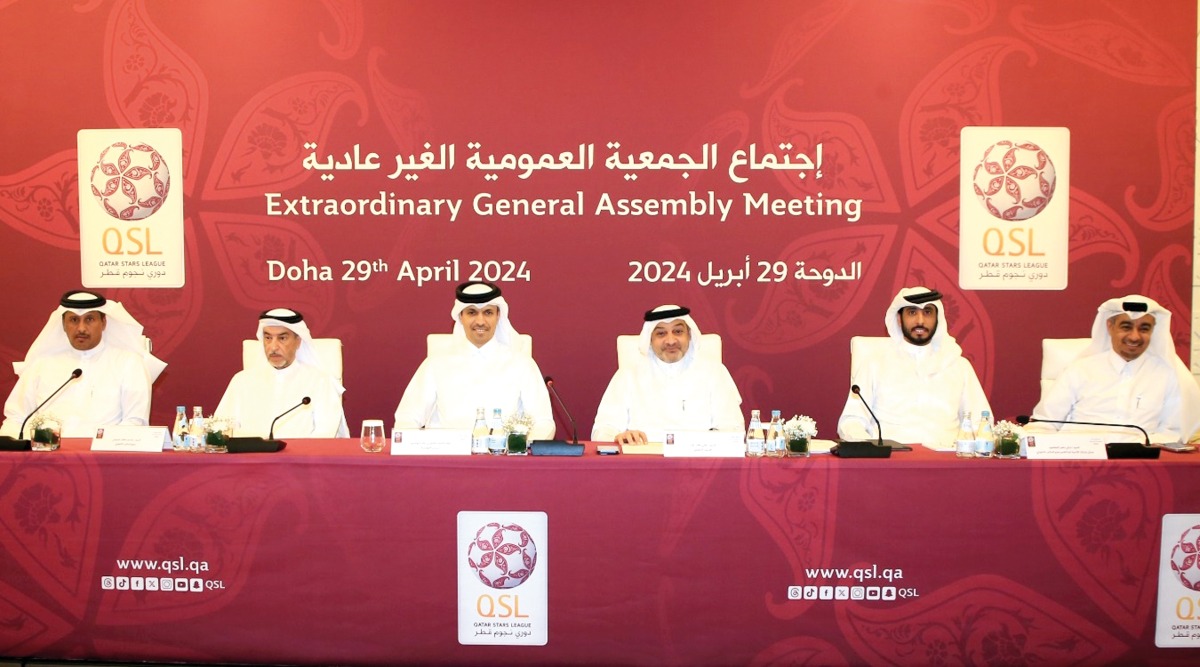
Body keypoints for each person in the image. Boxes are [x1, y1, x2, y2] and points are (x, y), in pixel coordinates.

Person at [393, 281, 554, 438]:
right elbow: (407, 418)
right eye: (472, 312)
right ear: (461, 317)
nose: (480, 321)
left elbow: (543, 422)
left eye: (488, 312)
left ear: (498, 316)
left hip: (503, 460)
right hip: (446, 461)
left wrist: (521, 448)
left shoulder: (522, 364)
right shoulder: (435, 364)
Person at [1031, 295, 1200, 444]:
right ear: (1110, 326)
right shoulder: (1080, 370)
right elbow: (1044, 424)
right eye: (1126, 327)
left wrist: (1136, 449)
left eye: (1144, 329)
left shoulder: (1168, 375)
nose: (1135, 336)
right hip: (1077, 462)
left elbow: (1172, 433)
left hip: (1140, 466)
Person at [837, 287, 991, 448]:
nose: (920, 321)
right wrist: (872, 450)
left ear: (937, 319)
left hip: (948, 461)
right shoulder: (874, 363)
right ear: (899, 319)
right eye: (912, 312)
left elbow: (980, 421)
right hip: (890, 462)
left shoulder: (959, 366)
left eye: (928, 312)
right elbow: (851, 421)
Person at [1, 289, 162, 438]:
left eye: (89, 319)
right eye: (73, 320)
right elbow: (16, 418)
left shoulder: (129, 363)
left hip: (103, 459)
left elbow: (135, 423)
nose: (81, 328)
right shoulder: (42, 364)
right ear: (64, 325)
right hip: (47, 458)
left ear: (104, 323)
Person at [592, 305, 743, 445]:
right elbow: (602, 430)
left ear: (689, 335)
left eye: (678, 331)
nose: (671, 341)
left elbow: (733, 429)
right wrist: (618, 437)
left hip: (700, 465)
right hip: (643, 463)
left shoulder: (715, 372)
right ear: (650, 339)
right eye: (661, 333)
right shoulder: (628, 375)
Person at [215, 308, 348, 438]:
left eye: (282, 338)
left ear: (298, 342)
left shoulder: (320, 382)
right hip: (251, 458)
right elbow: (222, 429)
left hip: (301, 458)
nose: (273, 347)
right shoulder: (241, 381)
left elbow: (325, 435)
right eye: (268, 338)